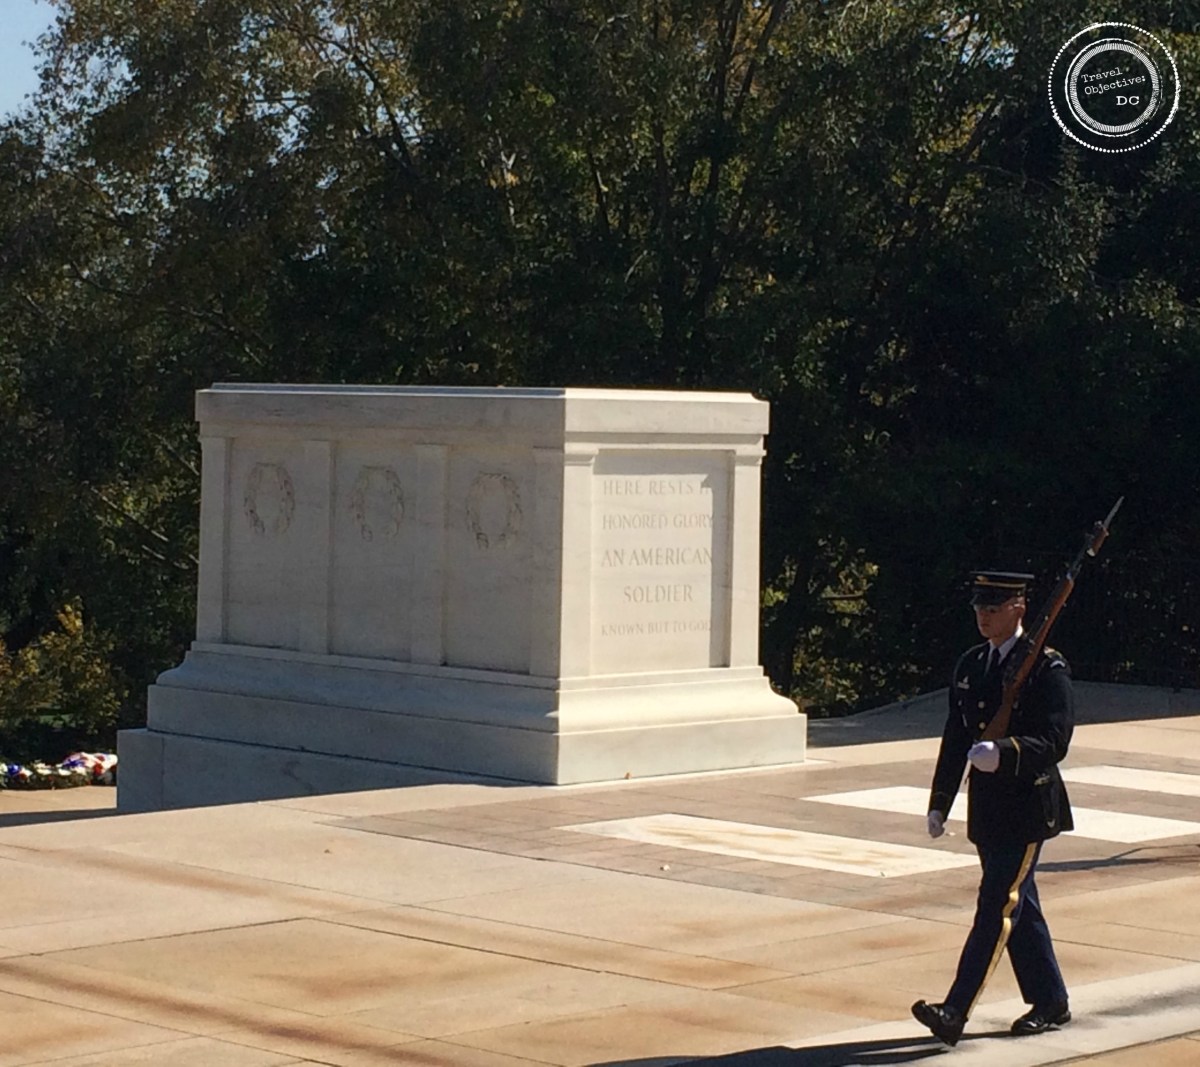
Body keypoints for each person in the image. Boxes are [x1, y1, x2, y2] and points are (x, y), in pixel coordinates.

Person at [911, 571, 1074, 1047]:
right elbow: (955, 736)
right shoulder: (971, 665)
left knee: (996, 906)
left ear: (1020, 609)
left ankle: (955, 1010)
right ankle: (1051, 1001)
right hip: (988, 810)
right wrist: (940, 801)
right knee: (1021, 906)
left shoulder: (1047, 668)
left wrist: (1005, 751)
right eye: (979, 607)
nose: (984, 616)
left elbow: (1055, 740)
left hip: (1026, 807)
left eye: (994, 608)